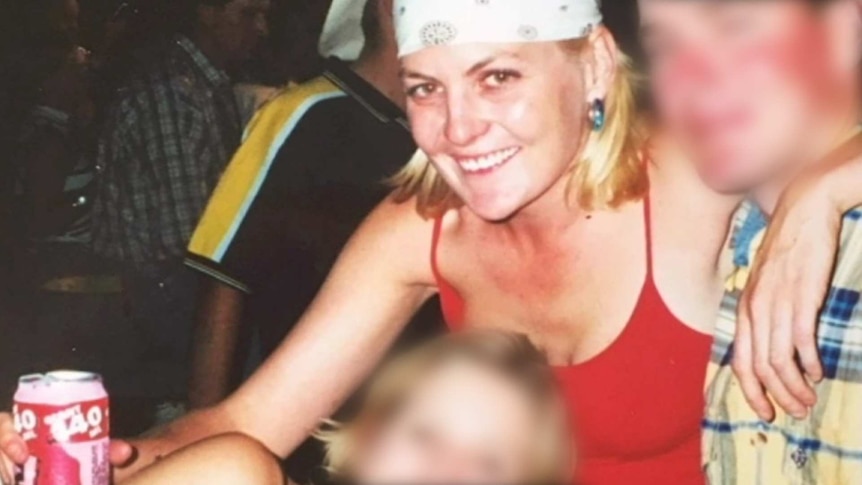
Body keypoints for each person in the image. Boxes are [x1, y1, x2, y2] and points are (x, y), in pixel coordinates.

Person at [1, 1, 861, 484]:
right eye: (425, 88)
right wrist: (71, 459)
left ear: (594, 65)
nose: (456, 129)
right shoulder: (422, 229)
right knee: (225, 469)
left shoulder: (687, 179)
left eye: (498, 77)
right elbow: (243, 422)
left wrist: (826, 187)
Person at [185, 0, 441, 480]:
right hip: (319, 445)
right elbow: (221, 275)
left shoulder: (450, 127)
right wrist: (205, 451)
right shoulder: (301, 114)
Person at [636, 0, 862, 483]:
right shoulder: (724, 228)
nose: (690, 75)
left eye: (734, 26)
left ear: (845, 31)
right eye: (665, 44)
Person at [90, 0, 269, 407]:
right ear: (207, 11)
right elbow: (189, 240)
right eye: (248, 13)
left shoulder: (205, 85)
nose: (262, 29)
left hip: (174, 286)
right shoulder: (174, 93)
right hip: (162, 292)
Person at [121, 331, 570, 485]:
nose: (446, 468)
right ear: (368, 436)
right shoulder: (237, 472)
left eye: (488, 461)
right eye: (426, 434)